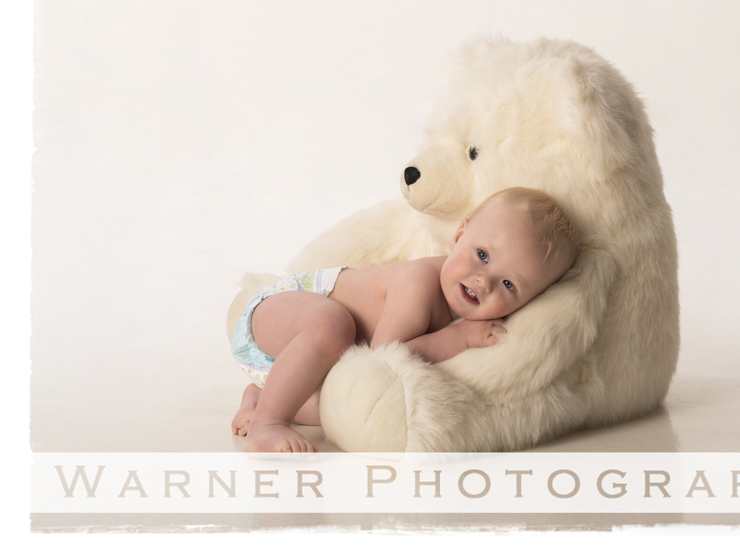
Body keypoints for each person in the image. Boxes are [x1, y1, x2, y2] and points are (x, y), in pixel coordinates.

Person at [230, 187, 580, 452]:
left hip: (293, 360)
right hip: (278, 312)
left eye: (508, 284)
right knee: (333, 325)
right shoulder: (418, 284)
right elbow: (384, 358)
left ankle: (262, 396)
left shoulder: (461, 303)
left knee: (340, 403)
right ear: (459, 236)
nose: (482, 281)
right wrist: (460, 340)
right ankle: (268, 423)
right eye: (482, 255)